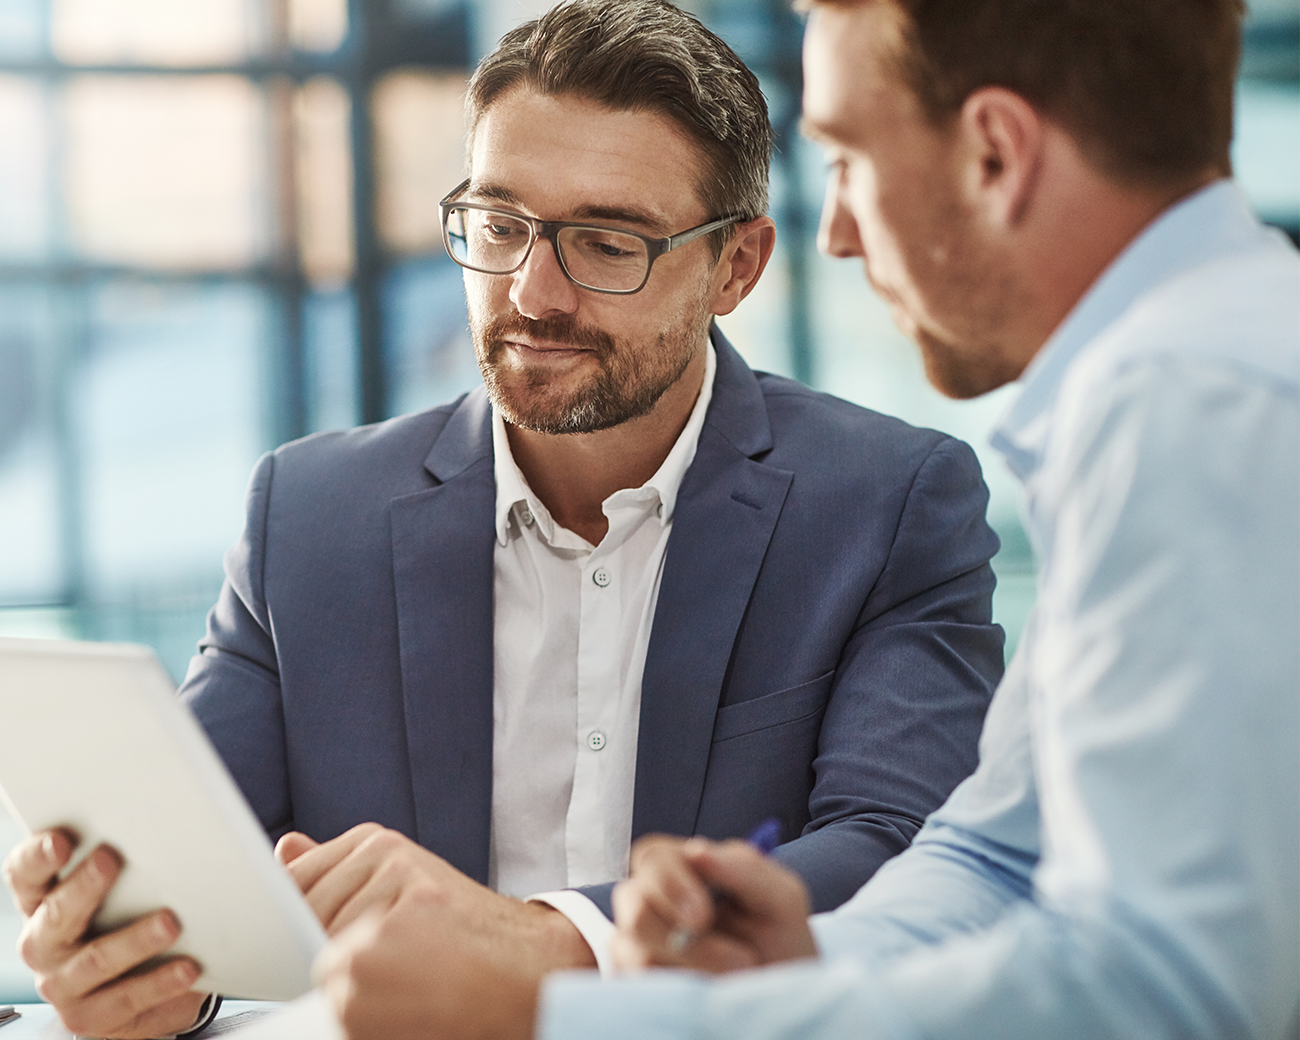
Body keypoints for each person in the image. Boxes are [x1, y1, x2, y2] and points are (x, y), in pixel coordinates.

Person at [1, 2, 1006, 1037]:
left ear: (736, 267)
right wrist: (139, 964)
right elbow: (199, 874)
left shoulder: (888, 502)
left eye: (605, 242)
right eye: (501, 226)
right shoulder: (308, 516)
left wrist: (555, 940)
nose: (531, 291)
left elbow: (904, 852)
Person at [302, 0, 1300, 1037]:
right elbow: (1001, 850)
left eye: (849, 158)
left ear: (996, 154)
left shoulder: (1196, 403)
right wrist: (807, 955)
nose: (839, 231)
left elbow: (1169, 992)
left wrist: (549, 1014)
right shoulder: (1188, 373)